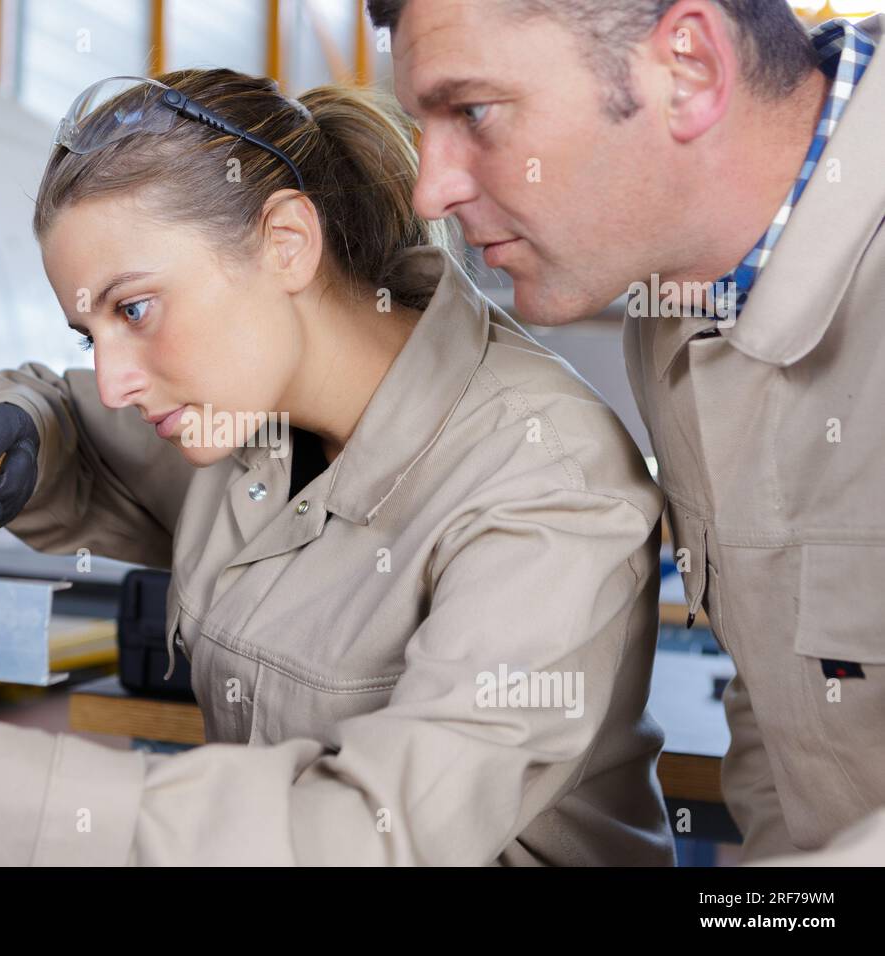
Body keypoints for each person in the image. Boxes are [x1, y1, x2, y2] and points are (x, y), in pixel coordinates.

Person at [0, 70, 674, 865]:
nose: (110, 378)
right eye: (87, 327)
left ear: (284, 243)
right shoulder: (246, 418)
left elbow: (367, 835)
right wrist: (17, 420)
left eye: (134, 308)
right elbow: (57, 400)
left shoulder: (545, 483)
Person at [366, 0, 884, 859]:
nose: (432, 189)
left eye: (474, 112)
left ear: (687, 70)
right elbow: (789, 716)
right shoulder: (677, 304)